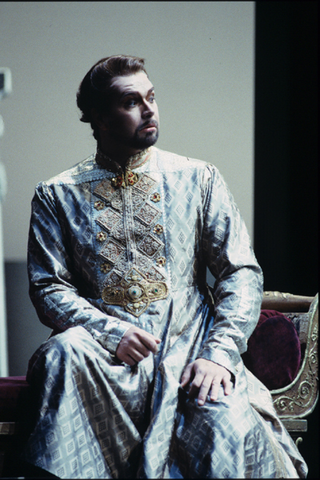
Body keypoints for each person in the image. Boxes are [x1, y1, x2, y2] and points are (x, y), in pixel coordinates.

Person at [22, 55, 307, 478]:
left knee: (223, 422)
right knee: (62, 352)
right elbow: (48, 287)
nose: (149, 108)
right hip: (104, 358)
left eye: (151, 97)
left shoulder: (199, 178)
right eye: (131, 102)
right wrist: (111, 332)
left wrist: (219, 354)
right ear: (99, 118)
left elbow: (240, 274)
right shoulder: (56, 195)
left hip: (190, 348)